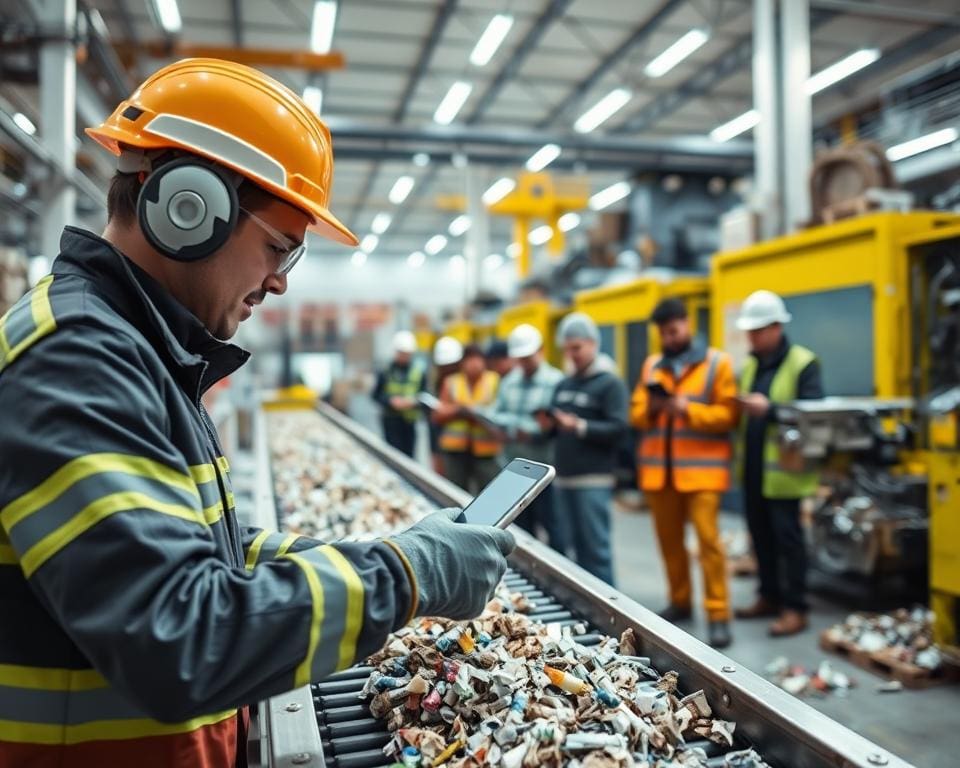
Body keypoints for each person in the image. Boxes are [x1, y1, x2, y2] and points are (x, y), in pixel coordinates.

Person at [0, 59, 514, 768]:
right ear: (187, 206)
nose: (277, 282)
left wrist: (351, 560)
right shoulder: (79, 359)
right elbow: (178, 637)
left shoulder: (136, 349)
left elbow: (195, 552)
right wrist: (404, 575)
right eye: (278, 247)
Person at [629, 299, 737, 649]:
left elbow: (728, 415)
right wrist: (654, 407)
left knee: (709, 543)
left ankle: (718, 613)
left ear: (687, 324)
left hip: (702, 474)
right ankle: (681, 600)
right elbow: (636, 414)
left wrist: (687, 410)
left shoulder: (717, 363)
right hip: (661, 474)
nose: (669, 338)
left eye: (673, 330)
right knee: (669, 543)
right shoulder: (652, 366)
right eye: (663, 332)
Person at [733, 290, 824, 637]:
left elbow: (812, 415)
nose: (751, 338)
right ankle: (769, 596)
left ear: (775, 327)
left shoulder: (803, 363)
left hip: (785, 473)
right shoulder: (753, 364)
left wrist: (768, 410)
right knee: (760, 537)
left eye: (756, 331)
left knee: (788, 540)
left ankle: (795, 607)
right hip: (755, 470)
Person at [538, 313, 628, 585]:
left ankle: (611, 615)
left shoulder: (609, 383)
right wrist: (549, 425)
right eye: (567, 349)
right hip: (564, 479)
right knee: (571, 551)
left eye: (576, 348)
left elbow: (619, 428)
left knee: (596, 552)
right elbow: (557, 426)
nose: (572, 355)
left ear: (592, 343)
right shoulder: (564, 383)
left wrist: (579, 426)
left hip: (593, 479)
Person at [485, 324, 566, 549]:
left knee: (553, 525)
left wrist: (521, 427)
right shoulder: (509, 381)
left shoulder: (556, 381)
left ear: (541, 350)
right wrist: (518, 427)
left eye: (527, 357)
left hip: (545, 469)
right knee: (521, 527)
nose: (524, 363)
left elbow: (550, 424)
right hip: (513, 467)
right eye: (520, 358)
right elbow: (495, 412)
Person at [433, 343, 502, 494]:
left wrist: (478, 413)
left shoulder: (494, 380)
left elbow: (500, 412)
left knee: (488, 494)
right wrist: (459, 410)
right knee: (456, 493)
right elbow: (438, 414)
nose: (474, 364)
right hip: (455, 450)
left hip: (486, 451)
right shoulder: (451, 382)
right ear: (462, 363)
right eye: (469, 360)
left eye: (477, 359)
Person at [372, 330, 425, 458]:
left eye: (407, 354)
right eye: (402, 353)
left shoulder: (418, 372)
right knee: (392, 456)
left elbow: (424, 395)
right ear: (396, 352)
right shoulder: (385, 371)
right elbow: (375, 395)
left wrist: (413, 402)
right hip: (391, 421)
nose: (405, 356)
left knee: (409, 457)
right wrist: (391, 401)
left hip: (409, 422)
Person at [428, 335, 464, 477]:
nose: (447, 370)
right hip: (442, 442)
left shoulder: (462, 382)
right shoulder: (436, 383)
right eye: (444, 367)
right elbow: (434, 422)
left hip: (463, 447)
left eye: (450, 367)